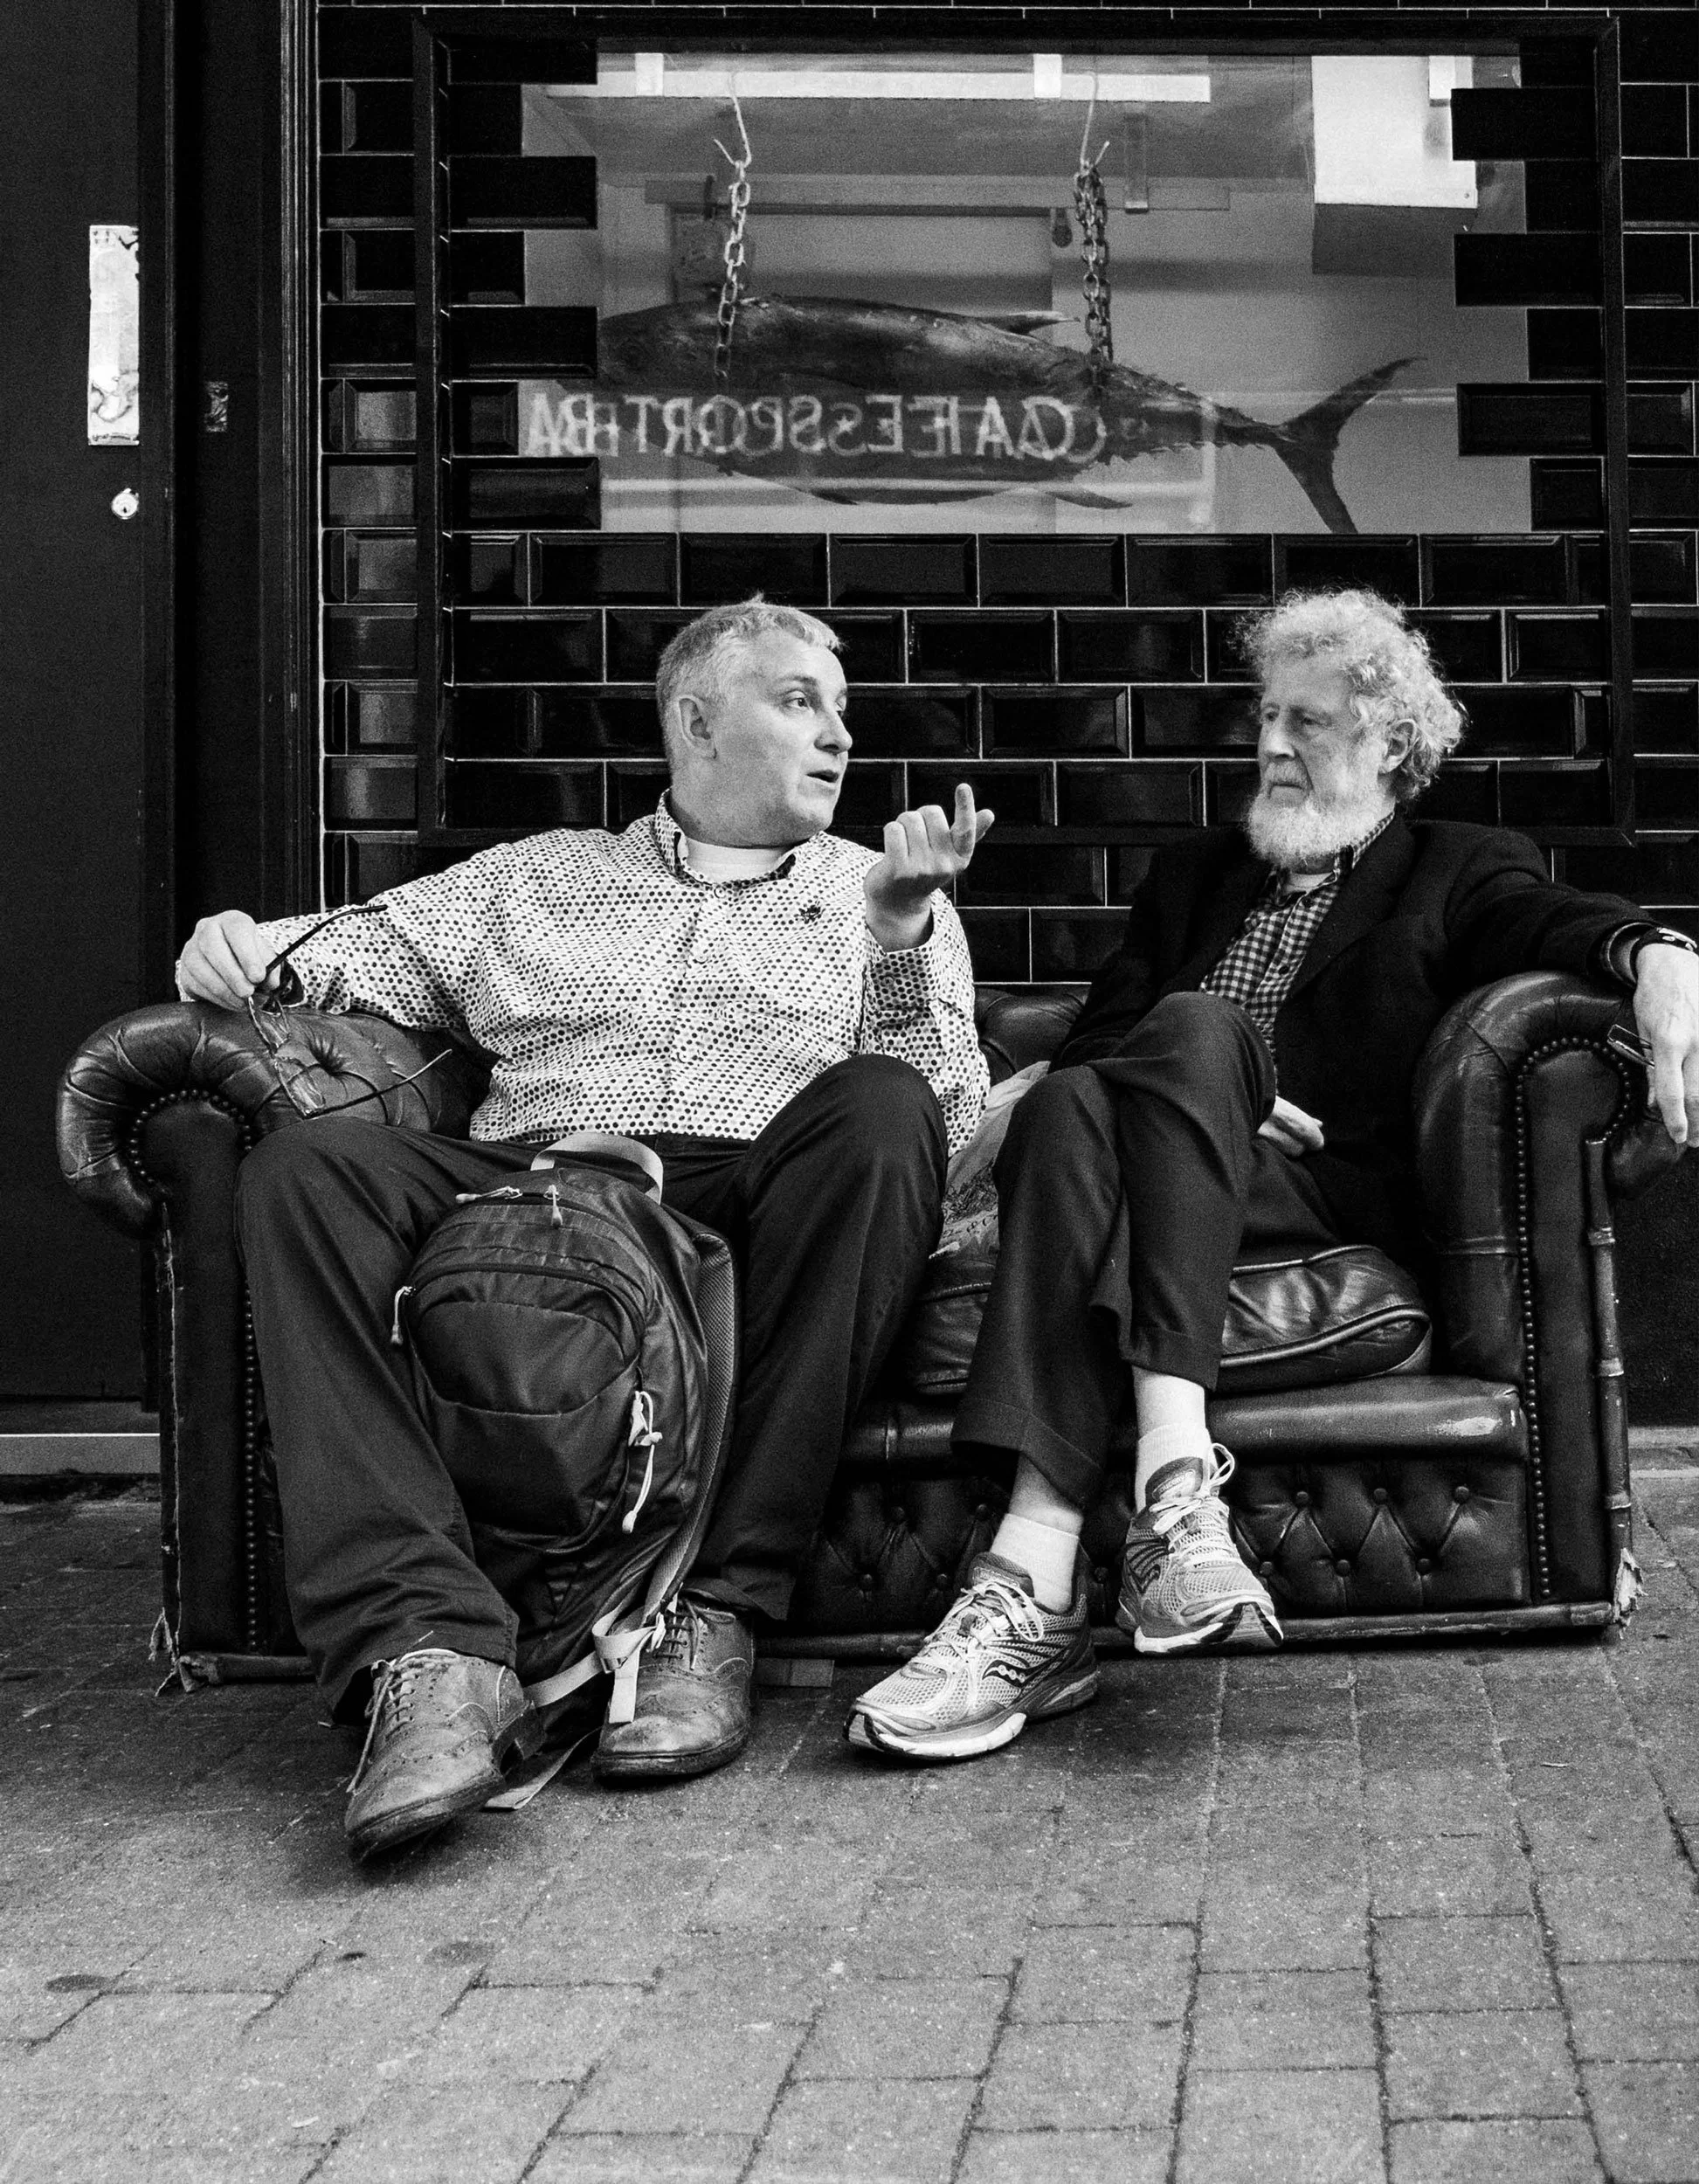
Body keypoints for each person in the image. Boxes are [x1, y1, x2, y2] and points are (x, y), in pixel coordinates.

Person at [174, 597, 991, 1851]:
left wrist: (896, 932)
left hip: (736, 1199)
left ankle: (713, 1606)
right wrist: (236, 949)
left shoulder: (879, 894)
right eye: (799, 702)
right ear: (695, 721)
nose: (839, 736)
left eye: (842, 710)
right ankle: (424, 1648)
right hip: (531, 1179)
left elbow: (942, 1120)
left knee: (879, 1110)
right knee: (305, 1168)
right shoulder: (540, 878)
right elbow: (344, 953)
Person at [847, 586, 1699, 1764]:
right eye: (1266, 717)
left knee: (1190, 1037)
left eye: (1308, 721)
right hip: (1150, 1161)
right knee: (1094, 1092)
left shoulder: (1454, 865)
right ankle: (1159, 1511)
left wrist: (1658, 952)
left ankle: (1031, 1588)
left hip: (1309, 1186)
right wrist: (1202, 1087)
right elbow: (1100, 1043)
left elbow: (1550, 920)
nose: (1272, 744)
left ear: (1391, 743)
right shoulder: (1197, 875)